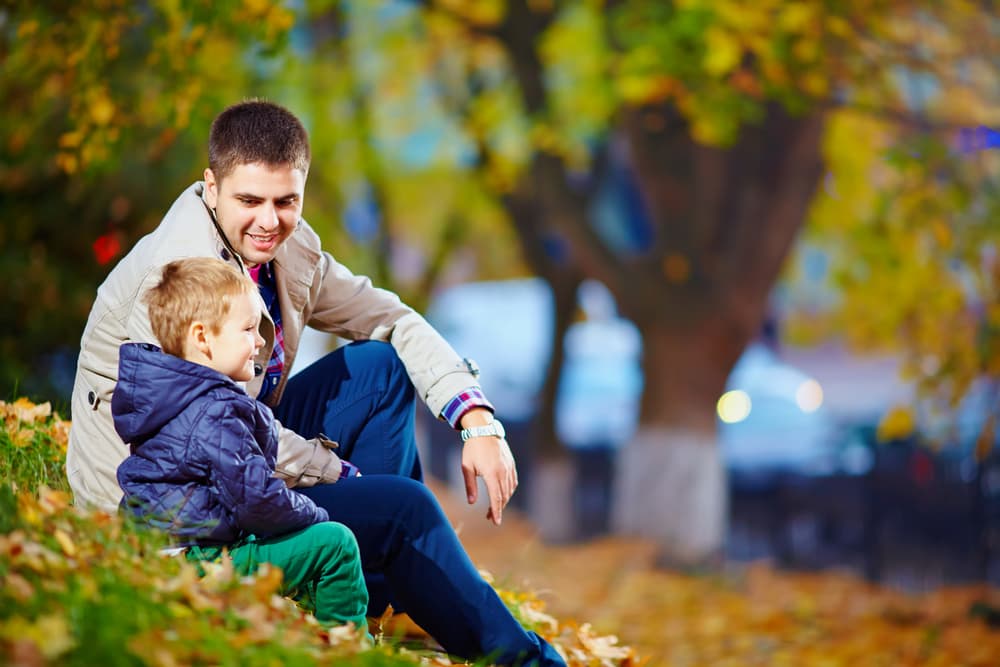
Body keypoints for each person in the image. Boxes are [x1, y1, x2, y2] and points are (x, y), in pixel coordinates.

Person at [68, 99, 565, 666]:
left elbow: (393, 317)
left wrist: (477, 422)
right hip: (173, 513)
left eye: (286, 201)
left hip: (231, 449)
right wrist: (345, 477)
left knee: (379, 369)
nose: (269, 219)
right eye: (249, 200)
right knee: (404, 507)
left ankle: (378, 587)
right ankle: (525, 660)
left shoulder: (289, 247)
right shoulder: (179, 280)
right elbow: (205, 430)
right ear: (211, 187)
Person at [113, 257, 368, 632]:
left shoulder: (169, 396)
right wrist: (314, 515)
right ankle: (346, 650)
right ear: (202, 338)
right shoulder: (215, 410)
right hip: (198, 564)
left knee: (286, 545)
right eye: (249, 328)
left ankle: (302, 636)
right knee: (335, 545)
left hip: (158, 554)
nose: (262, 340)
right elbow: (257, 501)